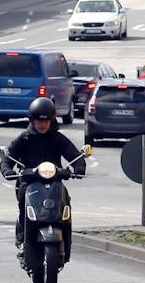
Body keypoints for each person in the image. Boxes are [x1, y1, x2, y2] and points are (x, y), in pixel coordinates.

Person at [5, 97, 85, 263]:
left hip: (54, 181)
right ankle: (22, 239)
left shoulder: (57, 138)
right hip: (29, 182)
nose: (42, 125)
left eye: (46, 121)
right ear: (32, 120)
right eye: (38, 121)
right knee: (22, 202)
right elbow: (8, 157)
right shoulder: (25, 138)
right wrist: (7, 169)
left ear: (51, 120)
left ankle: (66, 238)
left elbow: (74, 155)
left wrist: (78, 167)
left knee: (65, 201)